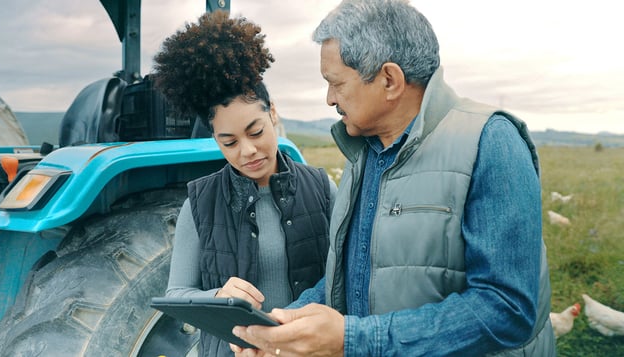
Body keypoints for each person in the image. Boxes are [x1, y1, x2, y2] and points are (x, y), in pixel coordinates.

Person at [231, 0, 556, 355]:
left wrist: (353, 338)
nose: (329, 99)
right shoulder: (364, 154)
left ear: (389, 80)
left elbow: (507, 309)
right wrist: (281, 328)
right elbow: (354, 274)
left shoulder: (491, 141)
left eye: (336, 83)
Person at [152, 11, 337, 357]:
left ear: (273, 114)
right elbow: (176, 293)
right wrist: (216, 297)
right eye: (229, 142)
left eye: (256, 132)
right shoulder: (199, 202)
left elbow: (344, 276)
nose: (248, 151)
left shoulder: (322, 188)